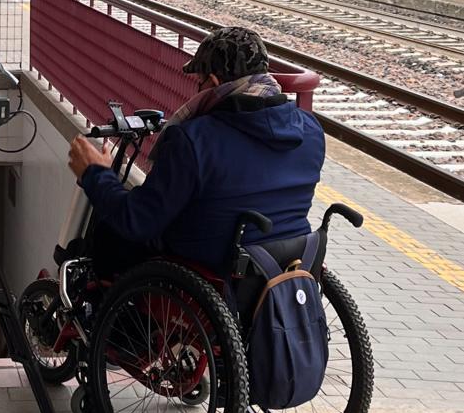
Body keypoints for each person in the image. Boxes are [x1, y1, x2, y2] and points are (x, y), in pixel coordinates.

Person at [68, 27, 325, 279]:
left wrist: (96, 174)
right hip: (285, 264)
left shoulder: (194, 140)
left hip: (210, 271)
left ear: (213, 82)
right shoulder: (311, 130)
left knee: (110, 233)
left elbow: (138, 220)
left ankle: (109, 317)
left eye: (199, 81)